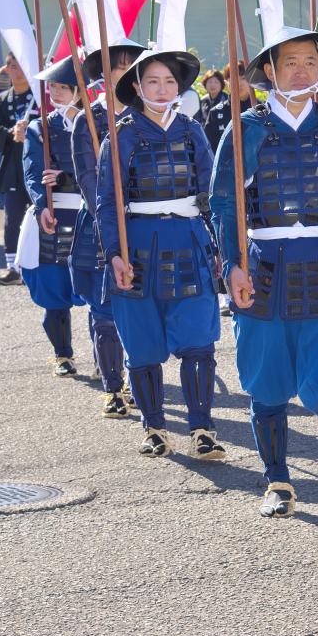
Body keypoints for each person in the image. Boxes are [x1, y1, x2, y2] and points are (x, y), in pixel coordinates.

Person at [212, 25, 318, 530]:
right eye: (291, 62)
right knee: (267, 384)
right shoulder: (244, 129)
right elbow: (224, 203)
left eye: (311, 62)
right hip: (265, 270)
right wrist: (231, 264)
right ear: (269, 71)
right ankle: (277, 482)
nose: (303, 71)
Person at [96, 48, 226, 460]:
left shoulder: (192, 131)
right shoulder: (122, 136)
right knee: (143, 343)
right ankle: (154, 427)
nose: (162, 88)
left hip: (189, 240)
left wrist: (223, 246)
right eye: (153, 80)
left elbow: (213, 195)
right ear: (136, 87)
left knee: (198, 341)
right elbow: (106, 201)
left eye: (170, 81)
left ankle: (202, 428)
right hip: (138, 245)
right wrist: (114, 252)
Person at [72, 38, 144, 419]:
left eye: (134, 66)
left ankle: (138, 380)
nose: (128, 73)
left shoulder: (145, 117)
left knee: (139, 309)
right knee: (104, 311)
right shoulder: (89, 119)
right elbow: (88, 181)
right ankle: (113, 387)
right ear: (104, 75)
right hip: (102, 225)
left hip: (145, 227)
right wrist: (114, 218)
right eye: (119, 66)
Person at [20, 56, 85, 377]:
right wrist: (41, 205)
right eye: (52, 88)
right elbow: (33, 173)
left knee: (99, 292)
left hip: (90, 213)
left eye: (63, 87)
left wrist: (66, 176)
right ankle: (63, 354)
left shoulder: (97, 125)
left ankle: (108, 360)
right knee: (53, 286)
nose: (55, 93)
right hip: (53, 213)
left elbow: (101, 170)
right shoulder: (40, 127)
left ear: (77, 90)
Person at [0, 70, 36, 285]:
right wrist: (10, 133)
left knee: (40, 218)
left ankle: (36, 267)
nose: (13, 69)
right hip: (13, 166)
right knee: (12, 217)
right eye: (9, 64)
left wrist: (32, 131)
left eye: (17, 63)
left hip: (38, 166)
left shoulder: (40, 96)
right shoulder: (0, 100)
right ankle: (13, 268)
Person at [197, 69, 232, 149]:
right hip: (205, 139)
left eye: (216, 82)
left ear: (221, 84)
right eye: (210, 82)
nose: (213, 85)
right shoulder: (203, 100)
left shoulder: (226, 100)